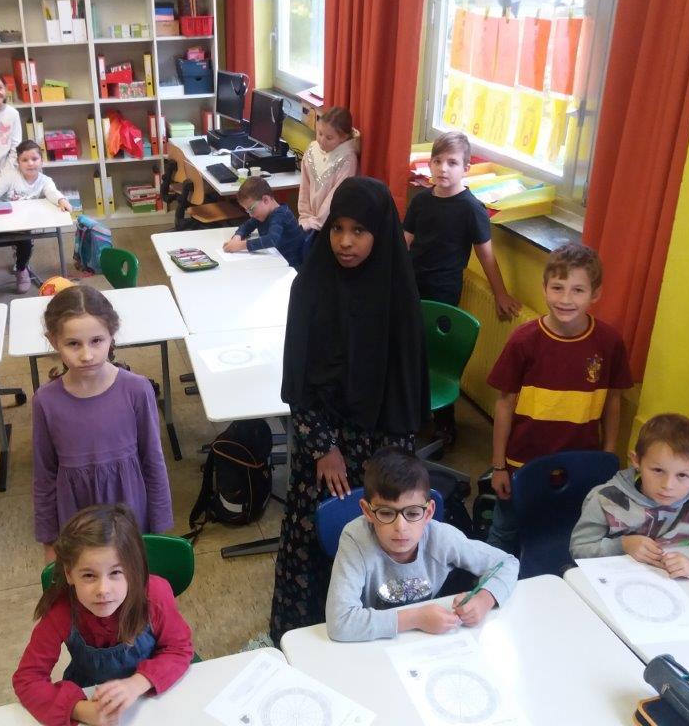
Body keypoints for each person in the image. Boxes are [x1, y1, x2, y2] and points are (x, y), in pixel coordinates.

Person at [271, 176, 430, 644]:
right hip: (325, 450)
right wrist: (324, 448)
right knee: (314, 544)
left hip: (382, 448)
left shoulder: (397, 295)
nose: (344, 242)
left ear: (379, 232)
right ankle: (301, 640)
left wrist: (390, 470)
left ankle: (372, 639)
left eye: (358, 231)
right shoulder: (311, 287)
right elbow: (299, 380)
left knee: (380, 547)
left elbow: (405, 388)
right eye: (337, 228)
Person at [486, 243, 634, 554]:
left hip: (581, 465)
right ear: (544, 288)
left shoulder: (609, 343)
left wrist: (608, 456)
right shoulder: (523, 341)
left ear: (595, 294)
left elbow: (613, 402)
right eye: (557, 288)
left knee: (565, 530)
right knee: (505, 529)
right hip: (522, 464)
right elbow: (504, 403)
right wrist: (498, 465)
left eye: (578, 290)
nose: (566, 299)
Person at [13, 504, 193, 726]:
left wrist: (136, 684)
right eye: (89, 575)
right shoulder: (61, 611)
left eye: (115, 572)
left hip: (150, 697)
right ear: (69, 574)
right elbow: (27, 678)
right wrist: (82, 711)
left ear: (133, 569)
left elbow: (179, 649)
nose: (103, 590)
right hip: (90, 697)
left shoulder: (155, 594)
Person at [32, 285, 173, 561]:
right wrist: (49, 541)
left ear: (112, 334)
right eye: (73, 344)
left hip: (130, 516)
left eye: (96, 341)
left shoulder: (137, 390)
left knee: (130, 578)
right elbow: (44, 476)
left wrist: (159, 529)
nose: (87, 355)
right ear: (53, 341)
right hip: (77, 521)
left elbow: (153, 462)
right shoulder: (45, 401)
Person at [326, 447, 518, 642]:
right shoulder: (355, 539)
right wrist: (416, 618)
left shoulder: (441, 538)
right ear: (367, 512)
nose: (400, 527)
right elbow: (339, 623)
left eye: (412, 513)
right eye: (386, 513)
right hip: (373, 643)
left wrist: (485, 599)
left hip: (428, 641)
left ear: (428, 512)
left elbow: (507, 563)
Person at [572, 413, 689, 580]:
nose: (668, 485)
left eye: (682, 475)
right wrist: (622, 545)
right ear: (636, 461)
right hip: (611, 581)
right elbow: (579, 550)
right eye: (658, 470)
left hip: (676, 587)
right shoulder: (606, 499)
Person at [403, 131, 520, 320]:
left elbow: (486, 256)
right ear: (430, 164)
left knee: (432, 336)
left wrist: (500, 294)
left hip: (443, 291)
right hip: (411, 282)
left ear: (466, 168)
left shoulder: (472, 209)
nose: (443, 169)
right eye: (437, 161)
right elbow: (404, 242)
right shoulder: (420, 201)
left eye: (452, 163)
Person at [0, 139, 72, 293]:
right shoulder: (10, 177)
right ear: (18, 162)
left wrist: (62, 200)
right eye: (25, 160)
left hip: (21, 227)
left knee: (25, 242)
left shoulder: (45, 181)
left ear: (41, 161)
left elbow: (52, 192)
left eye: (34, 159)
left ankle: (21, 269)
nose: (30, 163)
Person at [297, 106, 359, 234]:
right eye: (320, 133)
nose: (321, 140)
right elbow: (305, 186)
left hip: (330, 226)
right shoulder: (312, 149)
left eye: (329, 138)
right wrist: (305, 217)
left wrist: (318, 222)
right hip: (308, 222)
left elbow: (336, 195)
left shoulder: (348, 159)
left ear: (343, 137)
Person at [222, 176, 306, 269]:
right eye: (247, 211)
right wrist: (237, 237)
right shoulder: (263, 214)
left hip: (292, 267)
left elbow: (271, 239)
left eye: (251, 209)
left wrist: (240, 245)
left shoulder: (281, 214)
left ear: (265, 200)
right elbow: (246, 226)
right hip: (276, 261)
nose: (251, 215)